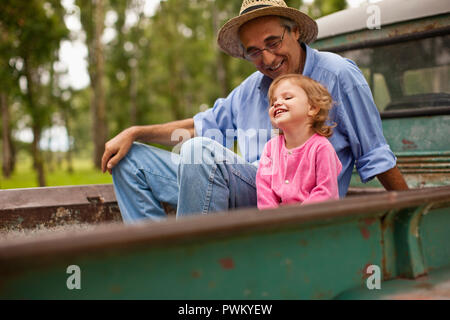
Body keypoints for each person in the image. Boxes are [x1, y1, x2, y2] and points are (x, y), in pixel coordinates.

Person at [102, 0, 408, 223]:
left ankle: (190, 265)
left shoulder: (338, 75)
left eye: (273, 42)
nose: (267, 57)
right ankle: (157, 260)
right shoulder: (251, 88)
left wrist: (411, 214)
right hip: (249, 191)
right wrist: (136, 132)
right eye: (254, 51)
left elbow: (375, 154)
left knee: (200, 153)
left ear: (296, 32)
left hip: (297, 203)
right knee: (129, 161)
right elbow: (201, 127)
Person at [256, 74, 342, 209]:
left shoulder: (321, 148)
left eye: (287, 97)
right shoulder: (270, 149)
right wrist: (272, 218)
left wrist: (295, 217)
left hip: (314, 220)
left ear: (312, 108)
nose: (277, 103)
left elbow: (326, 192)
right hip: (278, 222)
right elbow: (264, 190)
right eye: (273, 102)